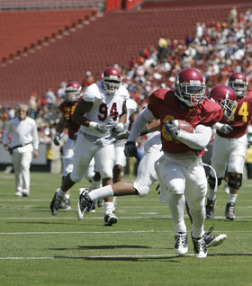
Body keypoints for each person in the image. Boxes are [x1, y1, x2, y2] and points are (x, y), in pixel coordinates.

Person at [104, 68, 223, 258]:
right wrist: (130, 140)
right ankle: (180, 231)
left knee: (197, 205)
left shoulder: (207, 108)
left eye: (198, 90)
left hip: (194, 162)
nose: (195, 96)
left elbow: (202, 141)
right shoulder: (163, 99)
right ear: (178, 88)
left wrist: (179, 134)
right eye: (190, 90)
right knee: (176, 189)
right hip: (169, 158)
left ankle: (198, 236)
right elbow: (143, 118)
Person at [49, 66, 129, 227]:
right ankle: (59, 194)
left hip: (106, 139)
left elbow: (123, 112)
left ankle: (108, 211)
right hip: (87, 137)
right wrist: (93, 124)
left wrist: (121, 124)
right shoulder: (93, 92)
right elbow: (76, 116)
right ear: (102, 81)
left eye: (115, 82)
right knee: (77, 175)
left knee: (107, 172)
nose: (112, 86)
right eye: (109, 82)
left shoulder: (122, 93)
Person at [205, 72, 252, 221]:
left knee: (236, 171)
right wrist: (218, 125)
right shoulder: (222, 94)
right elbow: (209, 115)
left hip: (240, 138)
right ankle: (210, 201)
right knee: (216, 172)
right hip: (221, 137)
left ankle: (231, 204)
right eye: (235, 85)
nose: (238, 89)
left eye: (241, 85)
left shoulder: (251, 97)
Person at [52, 81, 100, 210]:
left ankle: (98, 194)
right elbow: (62, 121)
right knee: (67, 169)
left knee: (89, 173)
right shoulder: (65, 105)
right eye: (68, 93)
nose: (71, 95)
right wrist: (58, 134)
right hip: (72, 139)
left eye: (73, 92)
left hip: (86, 139)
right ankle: (65, 199)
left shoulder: (85, 102)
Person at [2, 103, 39, 197]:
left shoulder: (31, 122)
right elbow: (6, 133)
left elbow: (35, 136)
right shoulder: (12, 122)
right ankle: (18, 190)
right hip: (15, 149)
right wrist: (5, 143)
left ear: (26, 112)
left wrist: (36, 148)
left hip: (27, 147)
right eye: (19, 111)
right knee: (17, 170)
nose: (21, 113)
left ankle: (26, 189)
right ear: (17, 112)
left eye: (23, 111)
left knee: (24, 166)